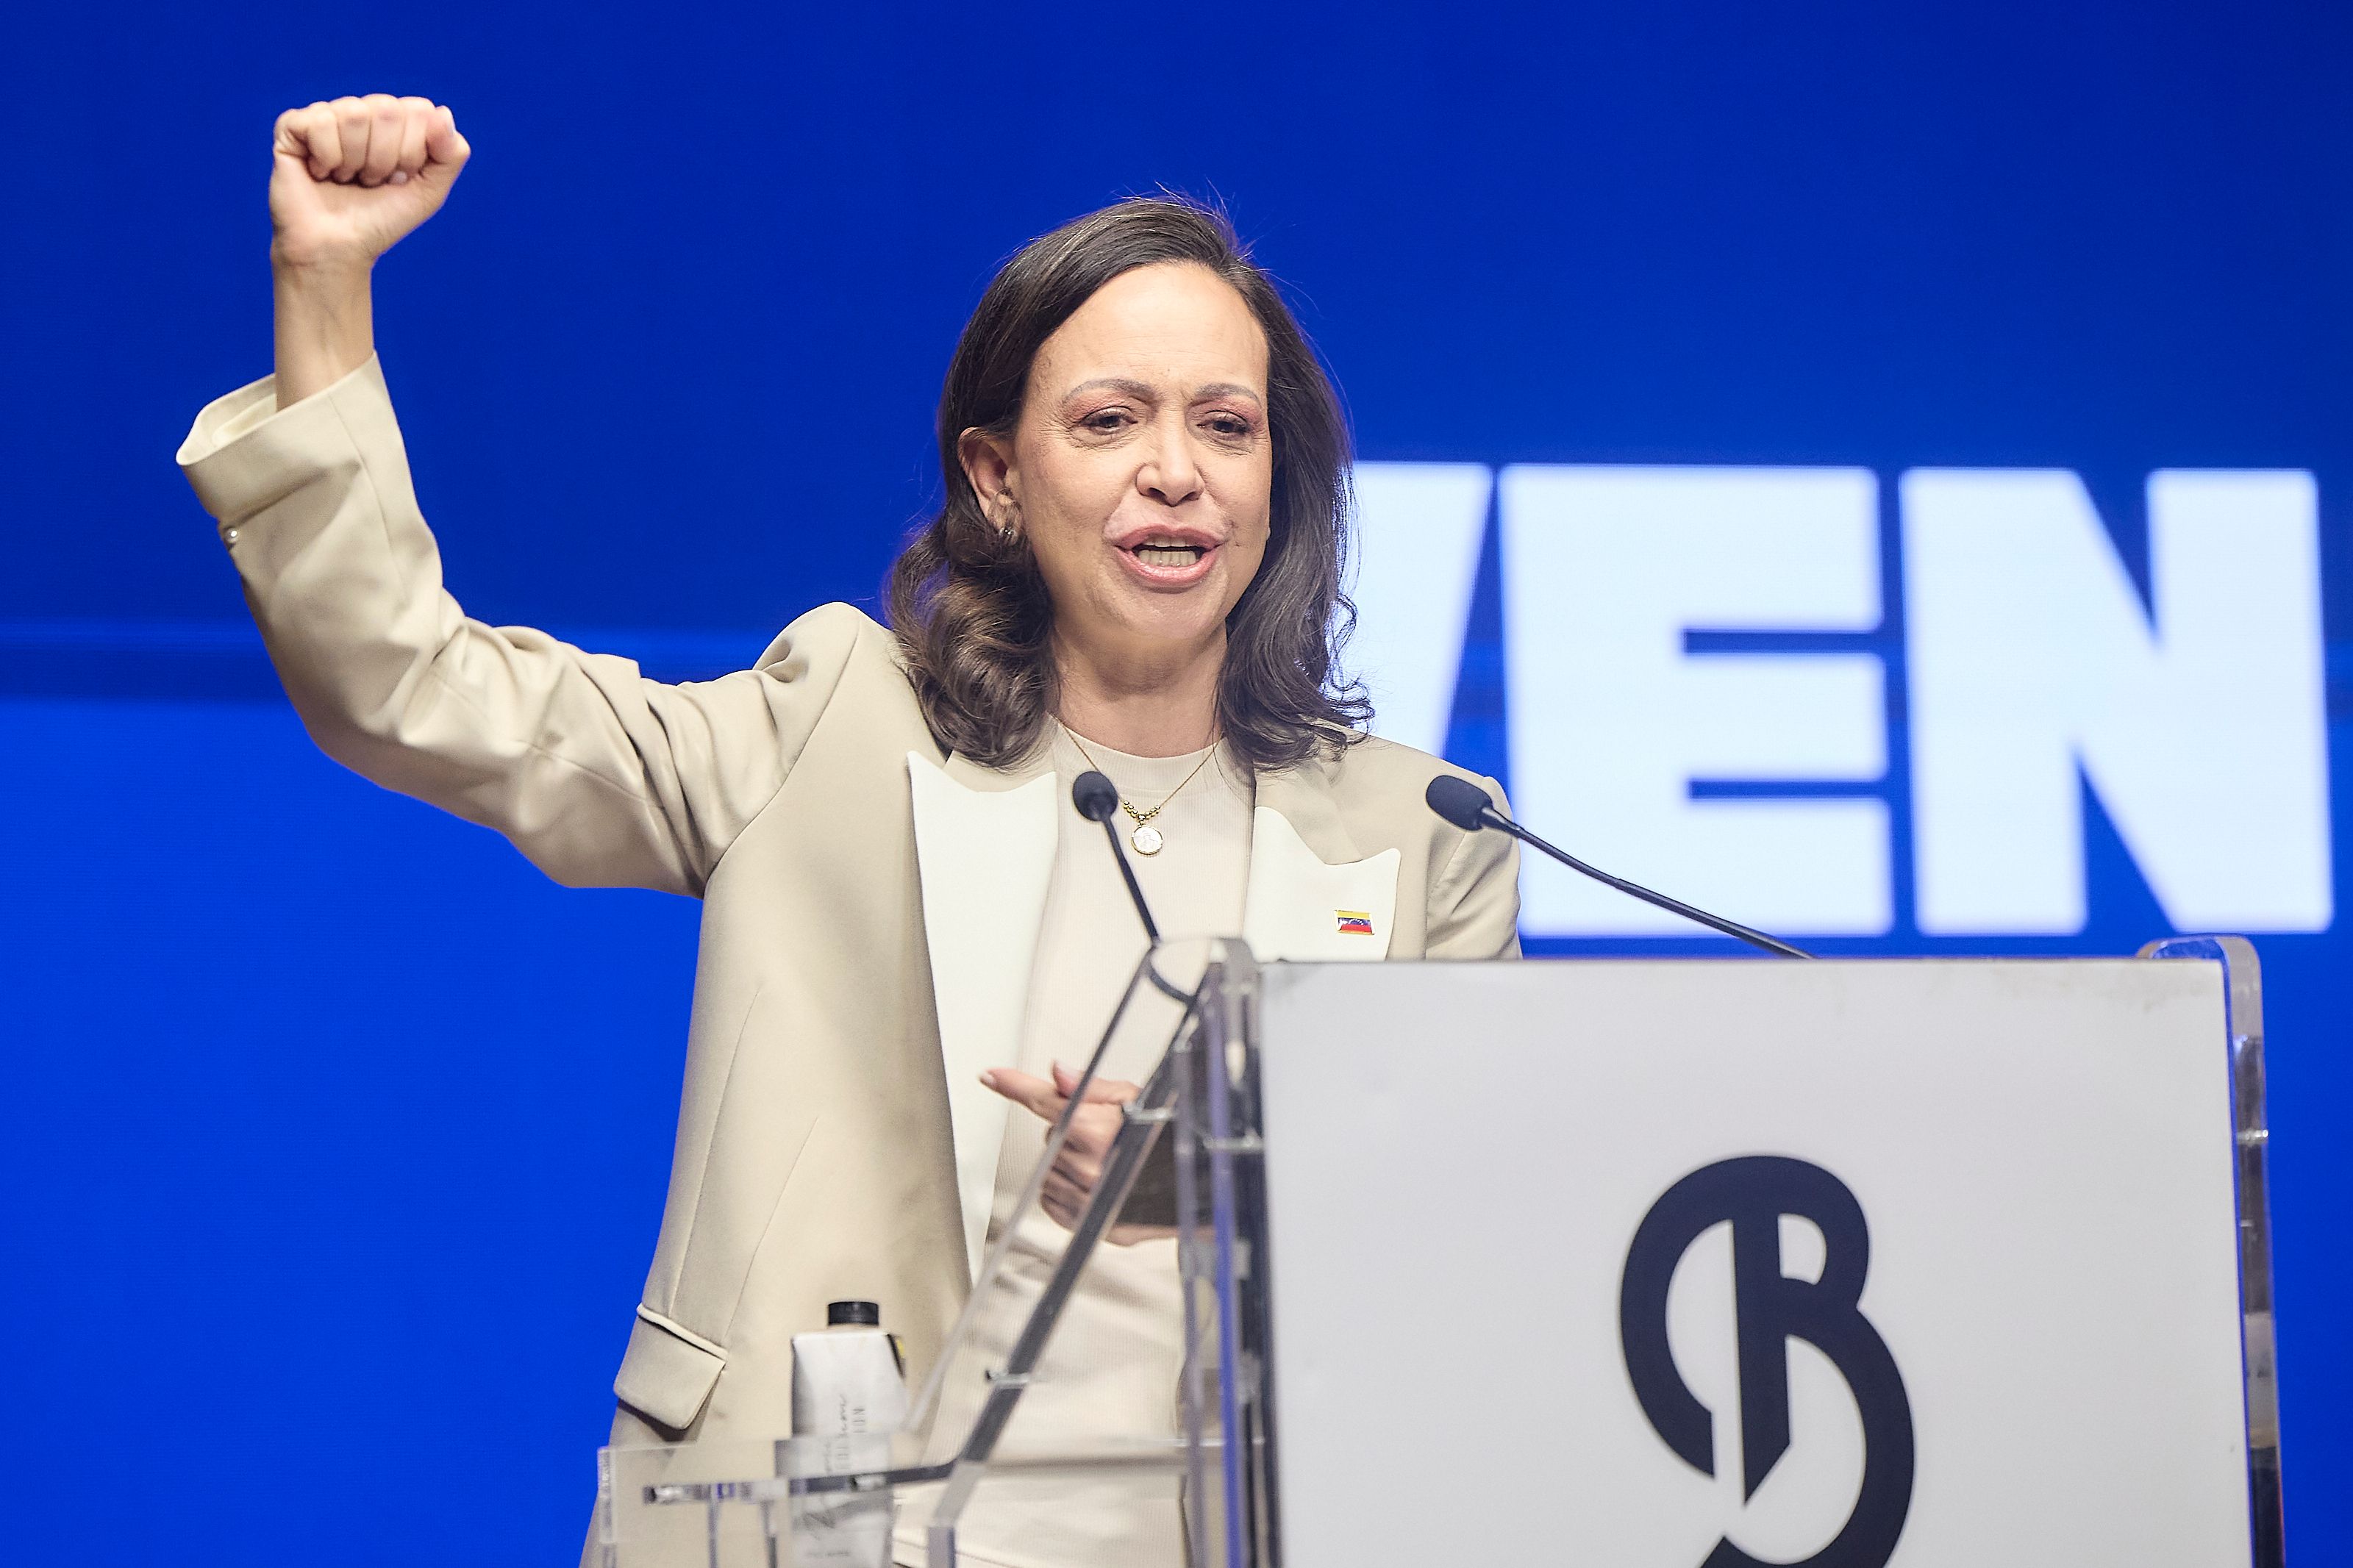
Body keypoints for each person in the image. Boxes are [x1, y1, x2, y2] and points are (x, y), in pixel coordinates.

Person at [178, 94, 1520, 1567]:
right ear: (998, 480)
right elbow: (409, 684)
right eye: (1108, 419)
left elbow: (1478, 1251)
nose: (1175, 470)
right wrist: (326, 286)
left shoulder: (1421, 830)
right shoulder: (838, 726)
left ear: (1279, 485)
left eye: (1225, 425)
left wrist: (1222, 1180)